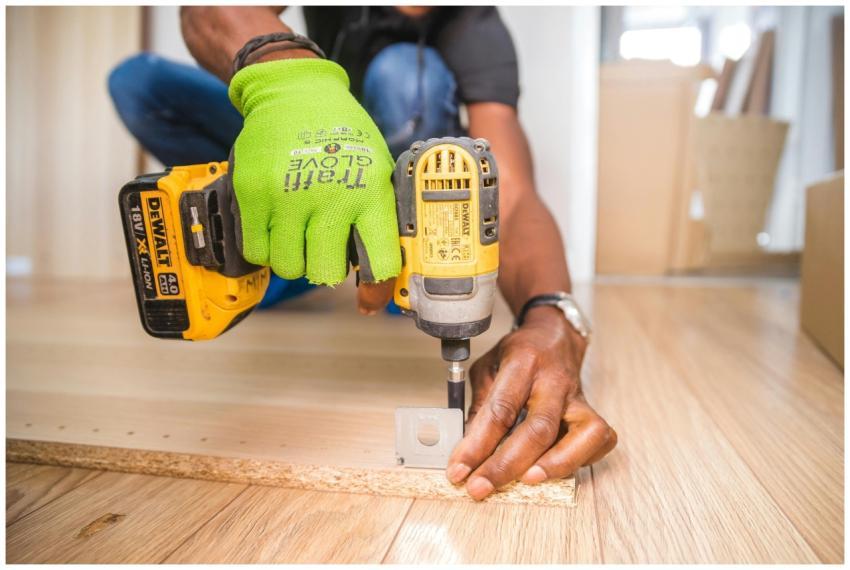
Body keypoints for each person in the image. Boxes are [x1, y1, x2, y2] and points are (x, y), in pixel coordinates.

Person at [108, 6, 616, 501]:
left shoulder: (476, 25)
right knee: (141, 82)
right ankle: (289, 242)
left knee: (404, 73)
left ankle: (375, 261)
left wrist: (551, 317)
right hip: (303, 145)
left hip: (391, 206)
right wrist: (291, 80)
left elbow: (514, 196)